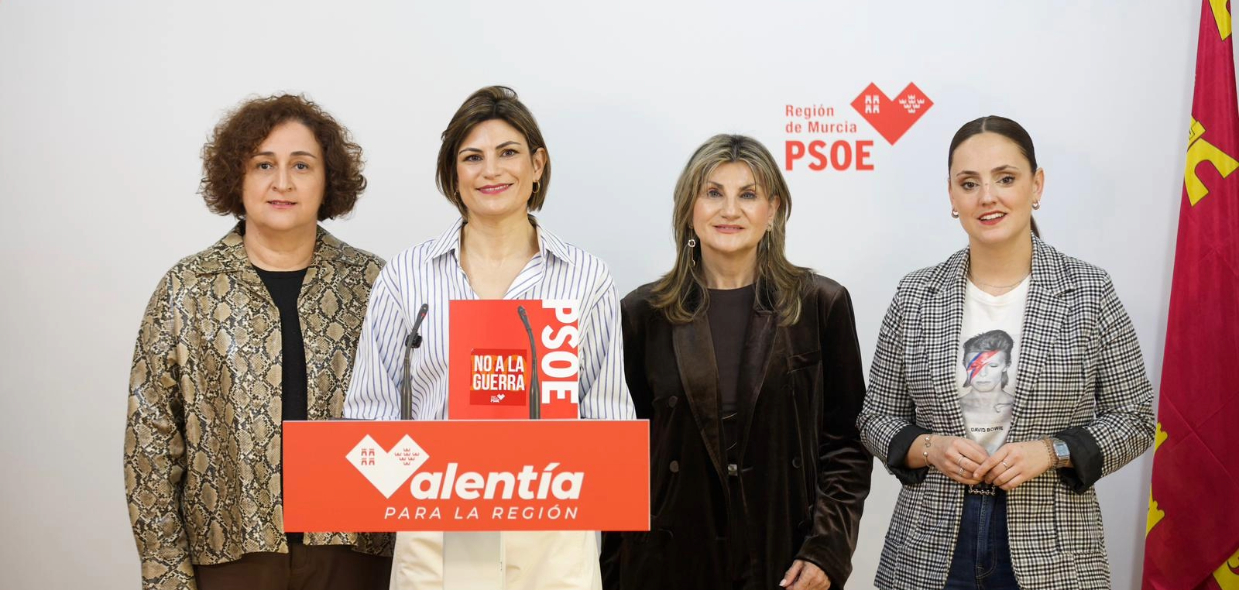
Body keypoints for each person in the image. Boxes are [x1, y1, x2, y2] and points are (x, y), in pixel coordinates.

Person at [343, 85, 635, 589]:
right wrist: (426, 490)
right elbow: (370, 416)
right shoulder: (406, 276)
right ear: (453, 173)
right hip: (437, 530)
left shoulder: (586, 277)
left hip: (553, 536)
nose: (491, 171)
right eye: (472, 157)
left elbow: (608, 421)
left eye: (508, 153)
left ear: (537, 165)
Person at [856, 116, 1156, 590]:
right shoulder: (915, 295)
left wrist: (1053, 451)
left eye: (1006, 178)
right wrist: (930, 448)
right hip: (929, 548)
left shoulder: (1089, 291)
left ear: (1036, 185)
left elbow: (1136, 419)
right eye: (969, 183)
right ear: (952, 196)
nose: (987, 197)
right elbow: (876, 418)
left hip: (1054, 552)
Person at [124, 94, 390, 590]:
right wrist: (165, 572)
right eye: (264, 164)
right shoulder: (188, 289)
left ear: (328, 179)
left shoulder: (375, 284)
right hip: (228, 557)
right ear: (237, 177)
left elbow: (417, 412)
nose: (282, 182)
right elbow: (151, 445)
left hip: (356, 553)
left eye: (301, 165)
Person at [602, 134, 872, 590]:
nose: (730, 210)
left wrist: (826, 551)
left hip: (784, 557)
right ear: (689, 209)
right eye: (713, 193)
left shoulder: (820, 304)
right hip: (667, 562)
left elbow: (847, 443)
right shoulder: (641, 314)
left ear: (773, 210)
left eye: (748, 195)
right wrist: (614, 569)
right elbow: (619, 459)